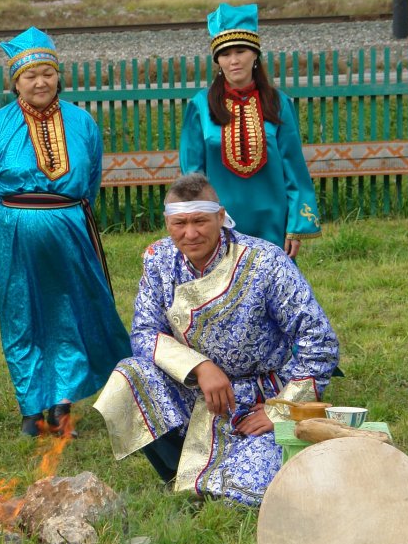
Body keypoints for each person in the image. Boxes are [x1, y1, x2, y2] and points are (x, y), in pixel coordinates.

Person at [92, 172, 340, 506]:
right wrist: (200, 367)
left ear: (220, 218)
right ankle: (177, 471)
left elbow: (319, 340)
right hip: (195, 388)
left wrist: (282, 410)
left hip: (259, 396)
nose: (190, 233)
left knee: (241, 496)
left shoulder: (265, 261)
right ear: (167, 222)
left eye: (200, 221)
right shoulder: (158, 259)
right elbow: (144, 332)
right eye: (179, 223)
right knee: (129, 376)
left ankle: (216, 477)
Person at [0, 27, 130, 437]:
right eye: (29, 76)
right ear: (15, 82)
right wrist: (3, 217)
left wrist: (71, 213)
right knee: (22, 313)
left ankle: (61, 405)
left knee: (69, 312)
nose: (40, 82)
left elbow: (91, 177)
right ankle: (30, 408)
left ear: (59, 75)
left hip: (70, 225)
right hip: (16, 229)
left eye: (47, 73)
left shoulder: (82, 122)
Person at [180, 2, 321, 257]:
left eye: (241, 51)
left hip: (272, 222)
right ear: (217, 60)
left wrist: (296, 226)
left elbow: (294, 168)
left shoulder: (279, 104)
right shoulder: (200, 106)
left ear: (254, 54)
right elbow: (192, 175)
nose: (233, 61)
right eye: (225, 54)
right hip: (221, 223)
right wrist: (198, 221)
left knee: (271, 290)